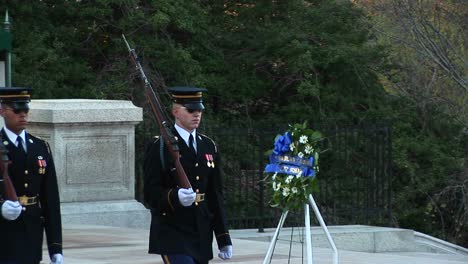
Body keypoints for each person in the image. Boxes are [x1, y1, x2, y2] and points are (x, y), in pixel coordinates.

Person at [144, 86, 233, 264]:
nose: (197, 114)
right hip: (172, 229)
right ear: (176, 111)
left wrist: (223, 238)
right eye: (191, 110)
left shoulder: (209, 146)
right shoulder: (160, 146)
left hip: (201, 229)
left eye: (199, 110)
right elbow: (150, 192)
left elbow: (215, 195)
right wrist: (174, 196)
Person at [0, 87, 63, 264]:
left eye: (26, 109)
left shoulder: (40, 147)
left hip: (32, 233)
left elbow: (51, 201)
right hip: (4, 235)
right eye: (17, 109)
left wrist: (55, 247)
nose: (23, 115)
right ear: (2, 111)